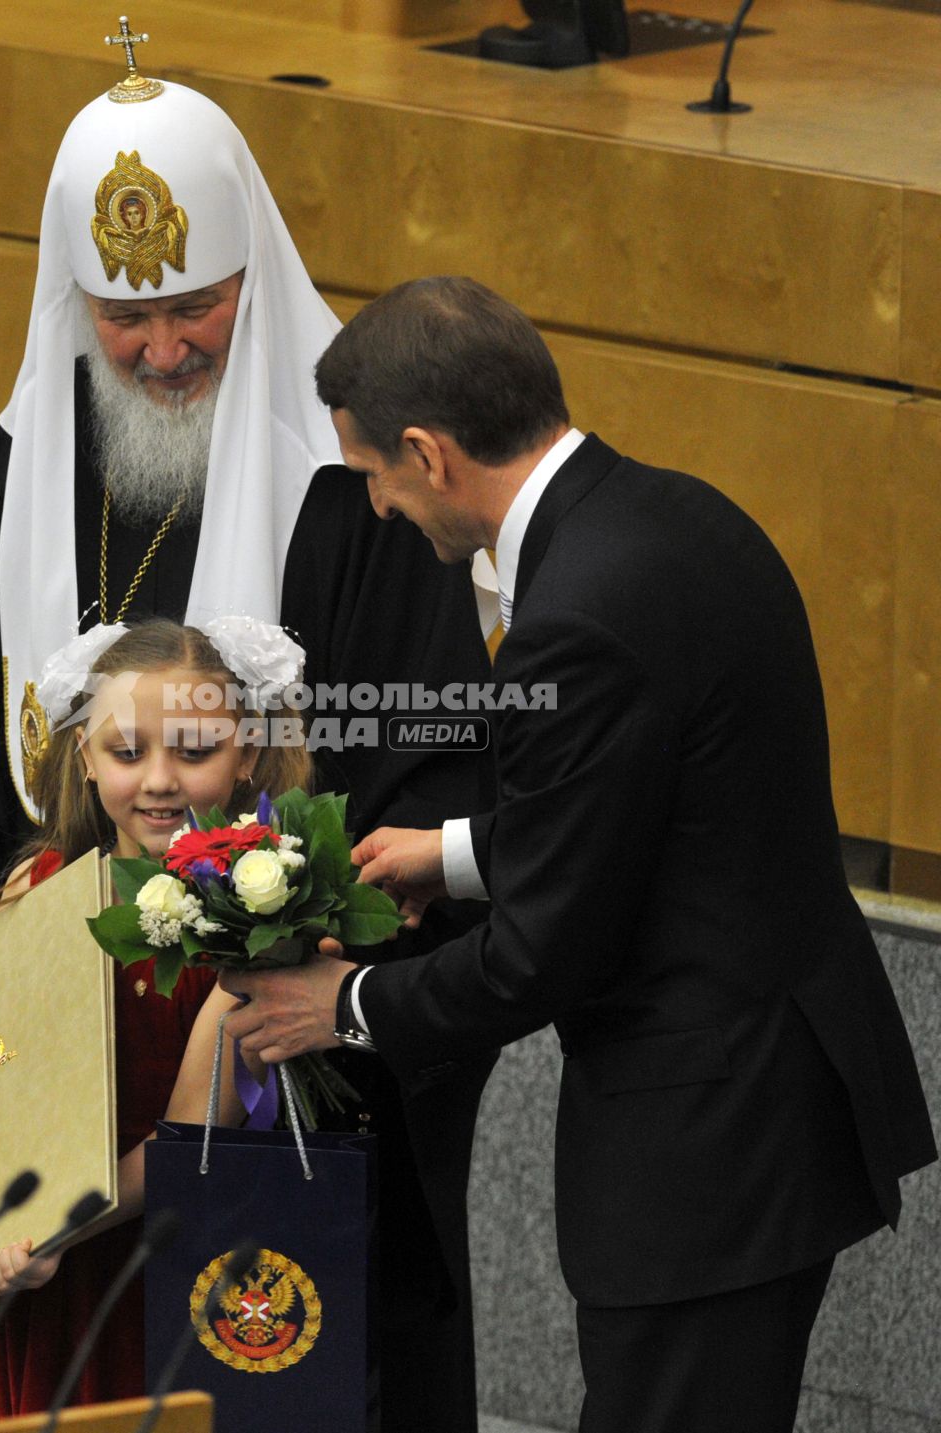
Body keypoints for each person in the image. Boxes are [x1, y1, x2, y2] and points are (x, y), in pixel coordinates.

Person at [0, 61, 497, 1433]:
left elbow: (433, 756)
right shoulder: (8, 472)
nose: (163, 347)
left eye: (194, 305)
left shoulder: (351, 502)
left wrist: (321, 950)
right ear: (73, 303)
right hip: (71, 1006)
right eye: (126, 313)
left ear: (255, 285)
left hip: (288, 1032)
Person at [223, 277, 937, 1433]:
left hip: (704, 1150)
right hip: (776, 1096)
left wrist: (339, 1004)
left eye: (374, 481)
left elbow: (535, 962)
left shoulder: (573, 619)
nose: (382, 512)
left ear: (428, 453)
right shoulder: (678, 512)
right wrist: (450, 851)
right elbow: (661, 812)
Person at [0, 616, 305, 1416]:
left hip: (171, 1269)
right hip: (42, 1270)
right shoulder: (41, 885)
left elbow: (189, 1139)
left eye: (194, 749)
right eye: (127, 752)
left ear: (247, 756)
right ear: (86, 760)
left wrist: (40, 1236)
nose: (159, 779)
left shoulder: (260, 926)